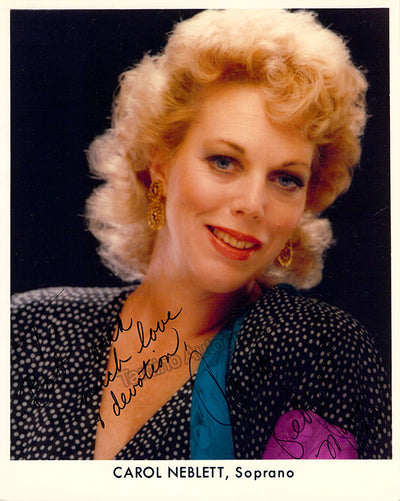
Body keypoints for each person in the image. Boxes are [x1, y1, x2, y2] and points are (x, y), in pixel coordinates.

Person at [11, 9, 391, 460]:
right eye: (224, 161)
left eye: (286, 179)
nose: (252, 203)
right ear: (160, 162)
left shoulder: (315, 351)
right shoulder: (28, 329)